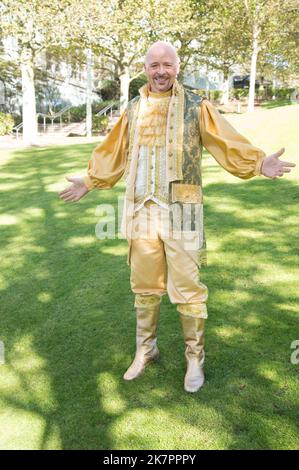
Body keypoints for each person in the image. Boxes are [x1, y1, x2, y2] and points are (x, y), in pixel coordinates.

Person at [59, 41, 296, 393]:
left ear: (177, 66)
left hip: (183, 209)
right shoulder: (134, 108)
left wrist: (259, 162)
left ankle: (194, 359)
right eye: (154, 65)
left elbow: (224, 140)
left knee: (188, 286)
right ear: (145, 68)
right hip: (141, 208)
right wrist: (90, 180)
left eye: (166, 64)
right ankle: (146, 350)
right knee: (144, 285)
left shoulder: (196, 106)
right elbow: (114, 151)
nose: (160, 71)